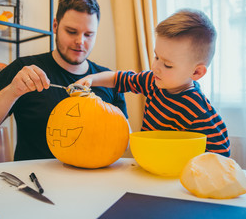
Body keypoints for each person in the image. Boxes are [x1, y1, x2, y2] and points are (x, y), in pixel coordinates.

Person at [0, 0, 128, 161]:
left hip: (95, 181)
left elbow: (123, 143)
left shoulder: (110, 80)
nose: (80, 41)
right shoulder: (25, 70)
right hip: (34, 183)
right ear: (55, 26)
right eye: (72, 31)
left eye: (89, 35)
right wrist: (13, 91)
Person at [76, 9, 230, 157]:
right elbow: (118, 79)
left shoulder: (198, 110)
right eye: (156, 57)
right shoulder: (152, 81)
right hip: (150, 163)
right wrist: (92, 79)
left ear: (196, 72)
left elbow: (221, 154)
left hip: (175, 175)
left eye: (168, 65)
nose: (155, 67)